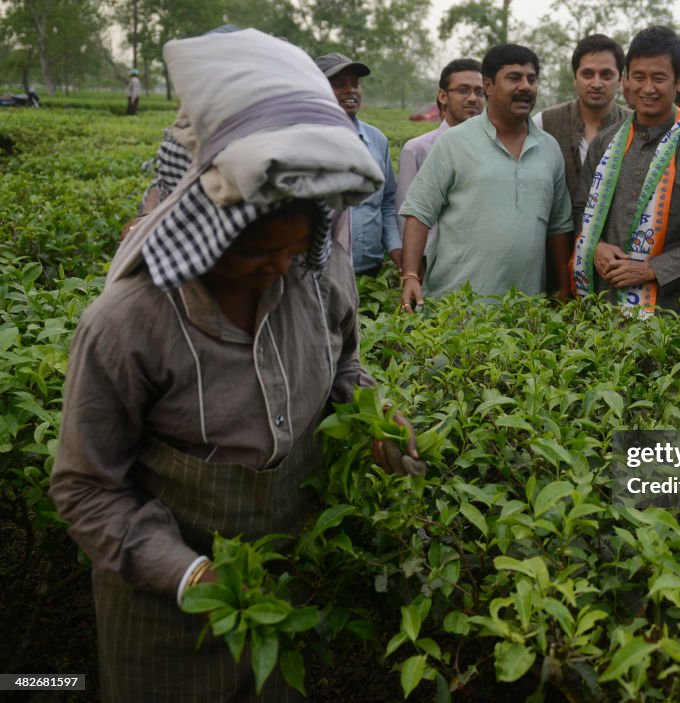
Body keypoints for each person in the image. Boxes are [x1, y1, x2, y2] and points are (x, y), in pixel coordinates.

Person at [50, 29, 418, 702]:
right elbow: (85, 488)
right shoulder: (127, 323)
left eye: (293, 248)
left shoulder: (313, 276)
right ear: (209, 229)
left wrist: (373, 413)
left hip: (279, 589)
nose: (279, 268)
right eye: (255, 255)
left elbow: (345, 368)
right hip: (159, 612)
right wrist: (189, 573)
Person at [399, 44, 574, 309]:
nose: (525, 86)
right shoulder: (453, 142)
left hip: (525, 311)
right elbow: (419, 212)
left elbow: (559, 226)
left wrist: (563, 288)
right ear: (489, 85)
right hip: (455, 307)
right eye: (514, 78)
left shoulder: (549, 148)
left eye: (532, 79)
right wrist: (410, 274)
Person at [572, 25, 680, 317]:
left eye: (659, 78)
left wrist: (649, 269)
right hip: (602, 312)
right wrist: (596, 245)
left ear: (679, 80)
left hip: (668, 317)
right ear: (626, 80)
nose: (647, 88)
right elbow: (582, 207)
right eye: (639, 77)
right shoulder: (604, 144)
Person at [316, 52, 401, 276]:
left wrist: (395, 247)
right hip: (322, 272)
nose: (350, 90)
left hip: (371, 270)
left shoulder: (377, 140)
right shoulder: (308, 141)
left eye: (355, 84)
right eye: (339, 84)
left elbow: (387, 201)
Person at [395, 58, 484, 255]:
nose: (472, 98)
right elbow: (405, 215)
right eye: (463, 90)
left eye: (479, 92)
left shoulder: (492, 148)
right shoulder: (417, 149)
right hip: (432, 260)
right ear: (443, 96)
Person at [536, 34, 631, 200]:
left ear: (621, 79)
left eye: (606, 75)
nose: (596, 83)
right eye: (587, 74)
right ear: (575, 78)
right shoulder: (543, 123)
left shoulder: (636, 125)